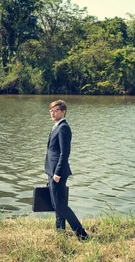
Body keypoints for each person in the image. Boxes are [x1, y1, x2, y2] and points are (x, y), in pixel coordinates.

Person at [45, 100, 89, 240]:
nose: (53, 112)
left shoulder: (63, 127)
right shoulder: (56, 126)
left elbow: (65, 153)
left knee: (60, 205)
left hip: (58, 172)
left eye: (56, 110)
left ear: (63, 111)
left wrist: (57, 173)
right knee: (57, 204)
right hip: (52, 171)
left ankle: (82, 235)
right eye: (51, 110)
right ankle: (60, 232)